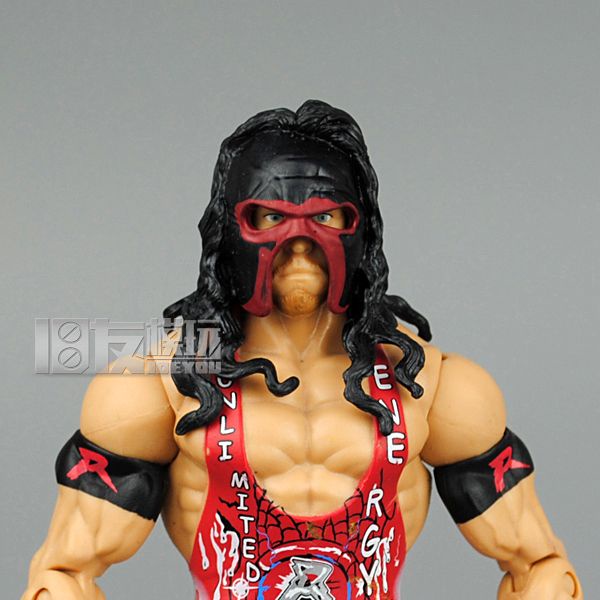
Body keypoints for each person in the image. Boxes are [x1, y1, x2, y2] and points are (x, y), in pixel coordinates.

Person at [23, 100, 582, 599]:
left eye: (326, 218)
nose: (298, 244)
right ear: (228, 230)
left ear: (361, 229)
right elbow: (64, 575)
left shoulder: (435, 387)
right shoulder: (161, 385)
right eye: (271, 218)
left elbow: (541, 568)